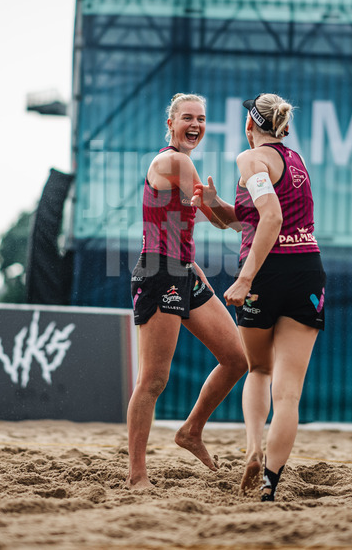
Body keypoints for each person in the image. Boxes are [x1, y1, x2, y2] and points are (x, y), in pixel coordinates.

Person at [126, 92, 248, 490]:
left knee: (237, 358)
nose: (196, 124)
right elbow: (220, 218)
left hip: (183, 270)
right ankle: (137, 476)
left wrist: (253, 215)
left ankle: (191, 431)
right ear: (171, 124)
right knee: (153, 381)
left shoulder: (187, 163)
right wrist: (260, 213)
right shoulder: (173, 160)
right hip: (159, 272)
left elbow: (218, 220)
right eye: (187, 118)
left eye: (202, 118)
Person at [221, 93, 326, 502]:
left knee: (258, 369)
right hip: (307, 269)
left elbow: (271, 217)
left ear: (250, 127)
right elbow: (250, 218)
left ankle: (251, 448)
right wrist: (214, 205)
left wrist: (245, 279)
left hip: (267, 272)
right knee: (289, 394)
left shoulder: (250, 159)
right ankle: (270, 482)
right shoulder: (296, 161)